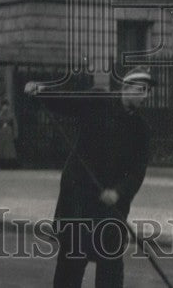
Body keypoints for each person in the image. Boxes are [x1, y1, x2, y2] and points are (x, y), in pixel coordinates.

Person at [24, 66, 155, 288]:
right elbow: (66, 102)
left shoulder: (140, 129)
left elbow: (137, 171)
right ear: (126, 87)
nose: (145, 96)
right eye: (141, 89)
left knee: (111, 266)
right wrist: (41, 91)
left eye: (148, 91)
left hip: (111, 206)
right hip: (79, 199)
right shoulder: (98, 101)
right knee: (71, 264)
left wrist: (119, 192)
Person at [0, 100, 19, 169]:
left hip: (9, 133)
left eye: (6, 106)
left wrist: (15, 134)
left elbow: (15, 125)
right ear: (2, 107)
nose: (5, 107)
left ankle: (10, 164)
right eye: (4, 106)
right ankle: (1, 165)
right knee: (1, 149)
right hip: (1, 133)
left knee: (9, 150)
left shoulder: (11, 115)